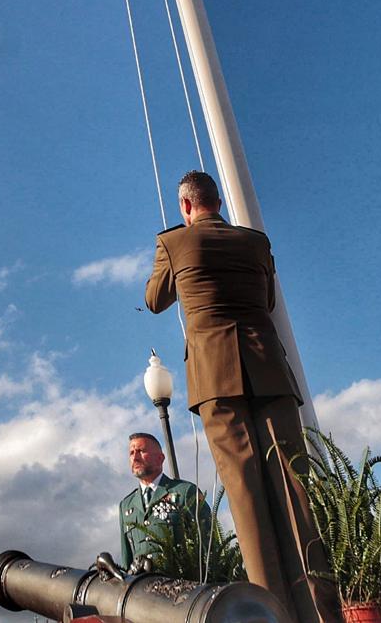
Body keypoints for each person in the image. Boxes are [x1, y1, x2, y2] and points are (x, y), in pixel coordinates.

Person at [144, 169, 335, 623]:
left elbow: (154, 299)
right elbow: (267, 302)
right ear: (218, 202)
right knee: (295, 490)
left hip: (216, 378)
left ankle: (269, 614)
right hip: (269, 370)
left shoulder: (174, 242)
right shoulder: (256, 243)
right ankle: (321, 613)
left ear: (187, 206)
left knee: (246, 494)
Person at [116, 434, 207, 571]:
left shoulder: (185, 492)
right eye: (131, 453)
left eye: (141, 451)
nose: (135, 457)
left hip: (182, 586)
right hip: (143, 589)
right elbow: (126, 560)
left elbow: (209, 545)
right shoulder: (126, 505)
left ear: (160, 458)